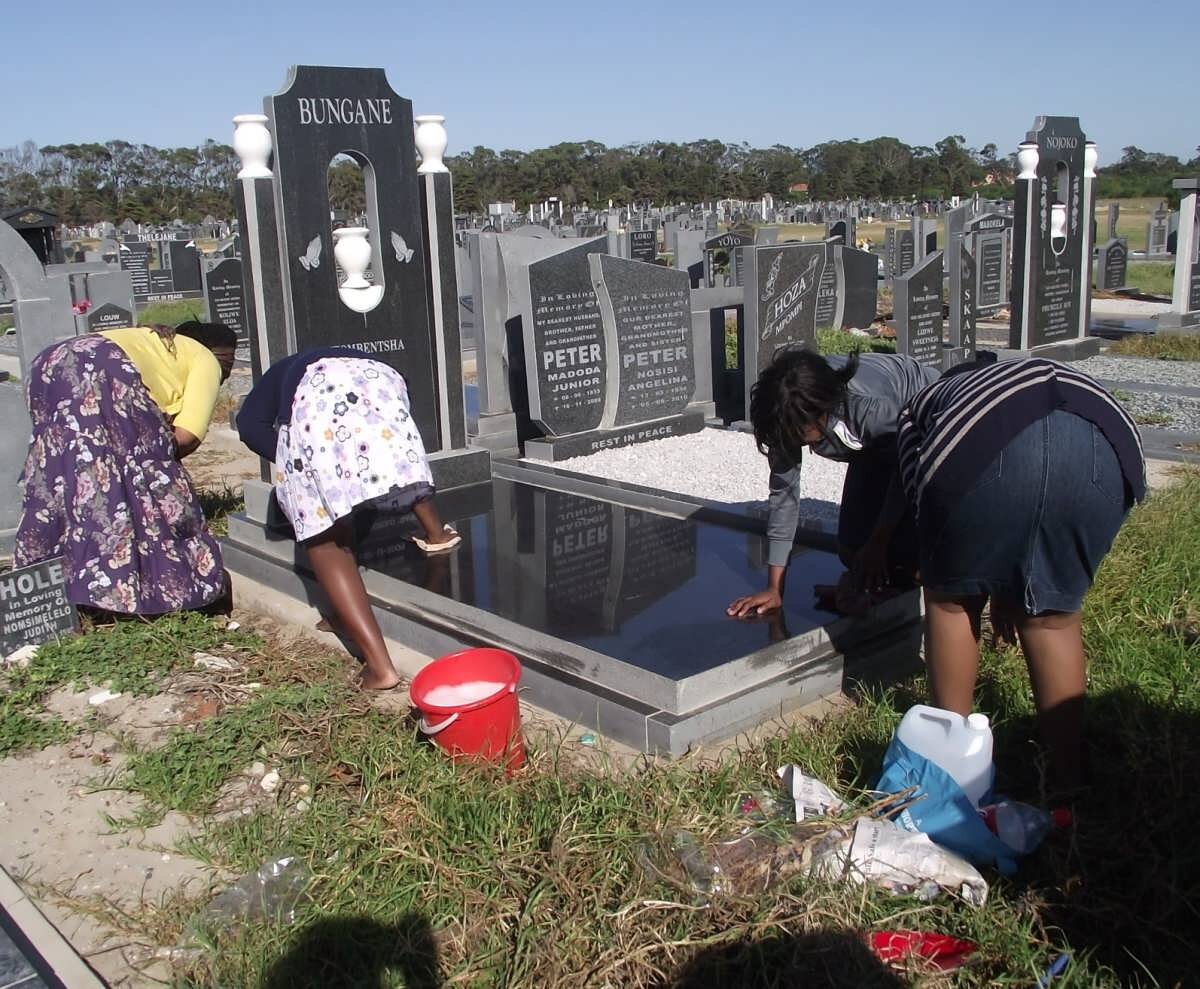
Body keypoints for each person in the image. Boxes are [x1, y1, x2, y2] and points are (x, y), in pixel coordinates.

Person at [896, 358, 1145, 790]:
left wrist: (945, 570)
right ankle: (1068, 779)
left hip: (983, 452)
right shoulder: (996, 382)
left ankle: (950, 772)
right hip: (1103, 448)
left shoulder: (923, 403)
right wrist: (1015, 590)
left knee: (952, 603)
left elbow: (922, 494)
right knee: (1052, 618)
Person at [236, 348, 458, 691]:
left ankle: (380, 669)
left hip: (316, 399)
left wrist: (299, 465)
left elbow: (249, 426)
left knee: (326, 540)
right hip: (385, 389)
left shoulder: (289, 370)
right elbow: (397, 459)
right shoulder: (373, 366)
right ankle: (436, 535)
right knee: (401, 468)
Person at [15, 321, 237, 614]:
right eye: (228, 363)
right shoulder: (204, 359)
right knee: (137, 481)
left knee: (60, 475)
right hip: (103, 367)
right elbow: (187, 436)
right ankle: (151, 588)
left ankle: (47, 592)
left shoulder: (152, 345)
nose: (227, 373)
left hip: (48, 364)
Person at [727, 348, 940, 618]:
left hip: (924, 434)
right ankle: (867, 586)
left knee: (909, 558)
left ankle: (901, 591)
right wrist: (774, 588)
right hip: (873, 446)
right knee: (851, 551)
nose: (796, 443)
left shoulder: (869, 408)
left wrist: (879, 541)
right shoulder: (785, 411)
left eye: (802, 435)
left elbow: (904, 469)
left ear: (823, 411)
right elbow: (784, 498)